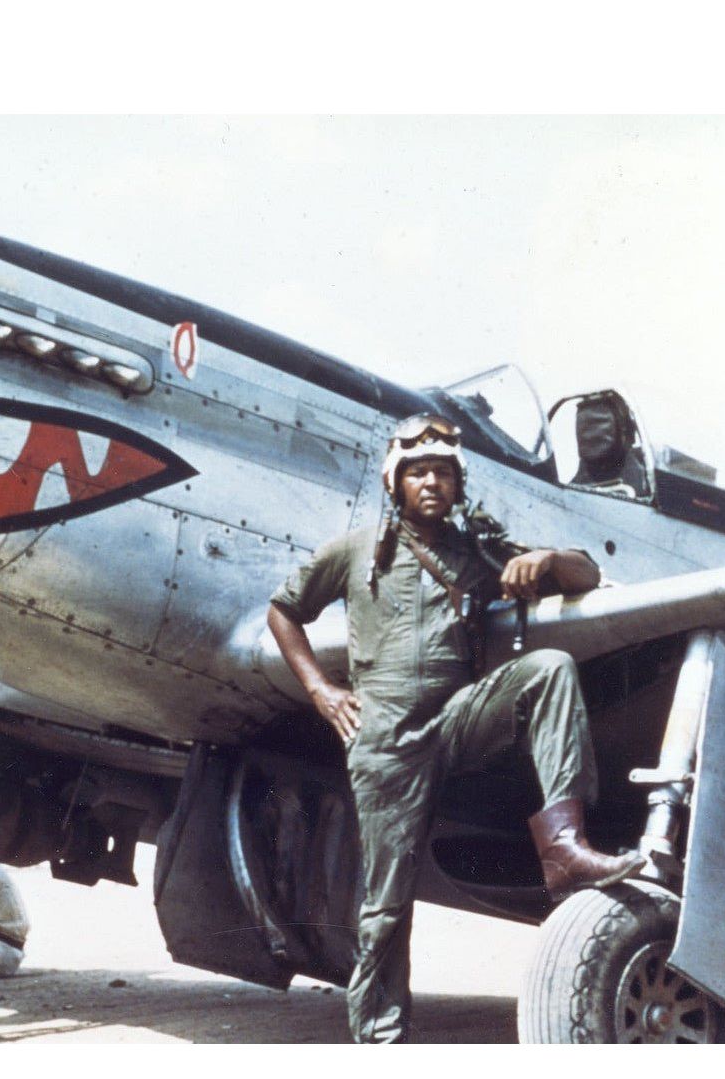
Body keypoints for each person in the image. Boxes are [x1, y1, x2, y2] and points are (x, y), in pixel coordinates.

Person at [266, 413, 643, 1044]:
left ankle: (564, 848)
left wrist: (548, 558)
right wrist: (322, 692)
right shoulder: (355, 551)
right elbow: (283, 611)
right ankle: (380, 1037)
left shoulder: (475, 553)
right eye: (418, 472)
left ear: (457, 482)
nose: (431, 483)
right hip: (386, 740)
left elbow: (585, 576)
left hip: (456, 718)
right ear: (396, 481)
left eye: (442, 472)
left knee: (549, 668)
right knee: (386, 905)